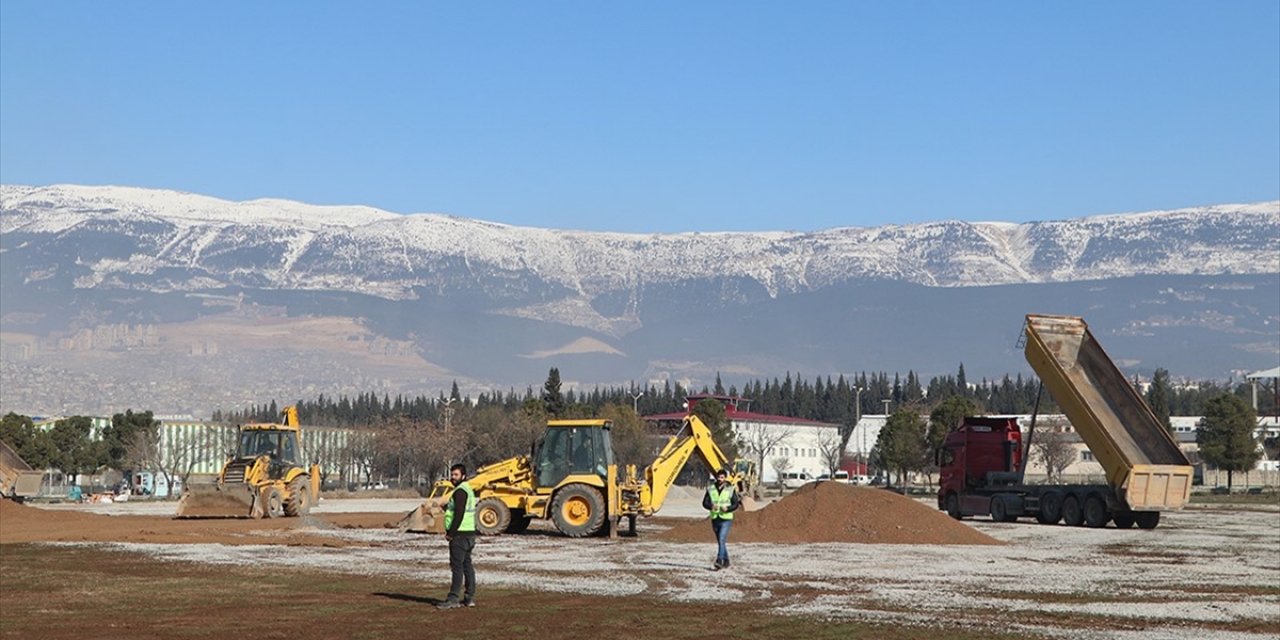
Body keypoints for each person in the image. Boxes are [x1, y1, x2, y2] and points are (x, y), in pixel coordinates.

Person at [437, 463, 477, 609]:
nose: (453, 477)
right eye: (452, 474)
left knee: (457, 567)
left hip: (460, 535)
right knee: (467, 566)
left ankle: (453, 598)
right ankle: (469, 598)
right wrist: (447, 507)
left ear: (463, 476)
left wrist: (451, 533)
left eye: (456, 475)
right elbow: (461, 509)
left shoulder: (460, 491)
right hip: (469, 533)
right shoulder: (468, 490)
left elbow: (459, 513)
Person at [702, 467, 741, 570]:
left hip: (726, 518)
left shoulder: (730, 489)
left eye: (722, 477)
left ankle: (719, 560)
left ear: (725, 478)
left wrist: (727, 508)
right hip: (715, 517)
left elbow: (736, 504)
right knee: (721, 541)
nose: (720, 479)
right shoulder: (711, 489)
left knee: (722, 538)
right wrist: (711, 506)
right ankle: (727, 561)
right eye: (719, 477)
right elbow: (704, 503)